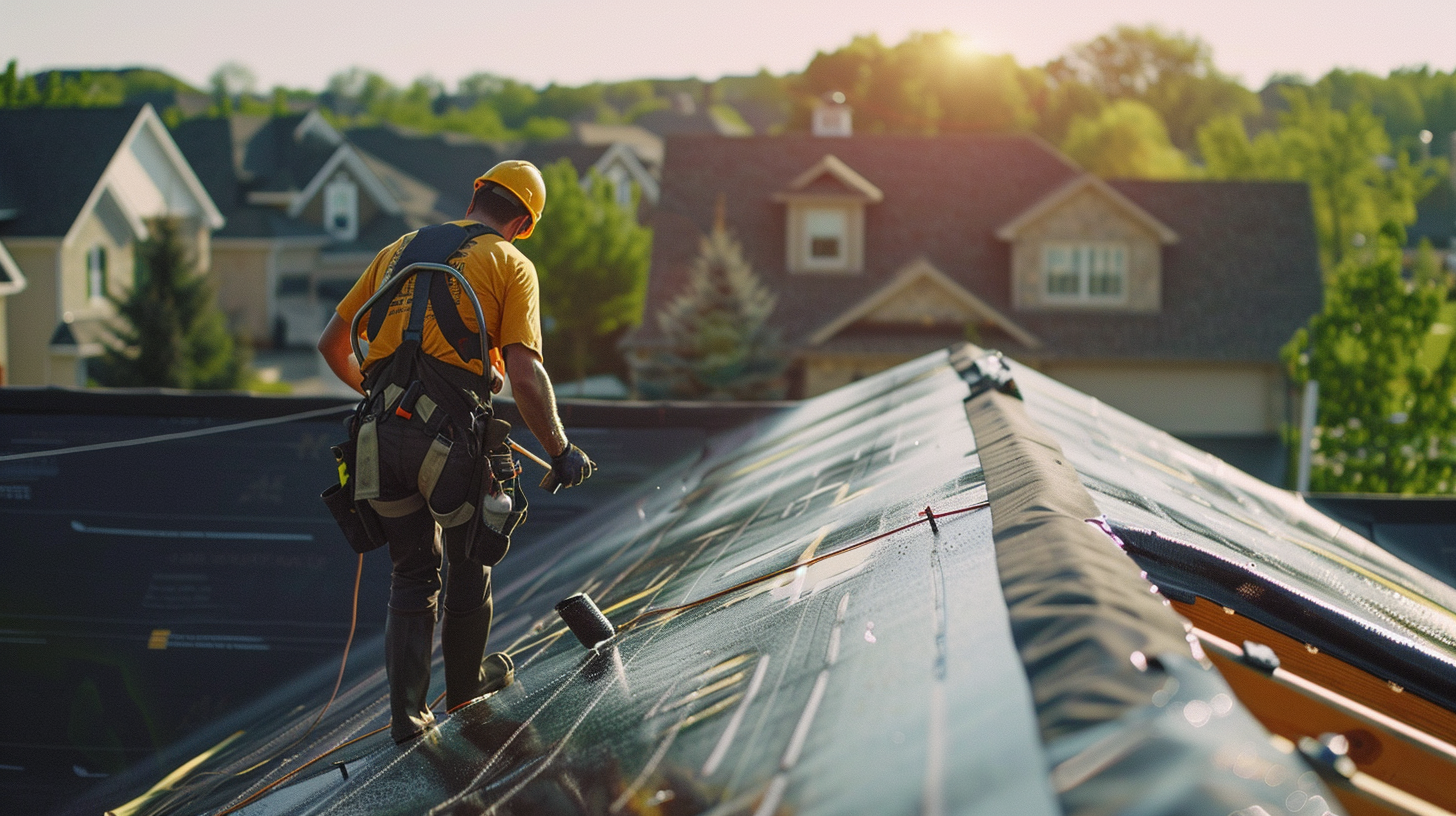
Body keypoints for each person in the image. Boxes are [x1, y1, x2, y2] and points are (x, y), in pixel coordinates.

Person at [317, 160, 595, 743]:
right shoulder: (511, 265)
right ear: (522, 222)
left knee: (412, 572)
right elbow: (524, 372)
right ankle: (465, 689)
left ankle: (408, 718)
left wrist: (379, 395)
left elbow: (332, 344)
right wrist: (560, 447)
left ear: (475, 196)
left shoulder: (399, 248)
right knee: (472, 555)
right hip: (445, 447)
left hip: (378, 441)